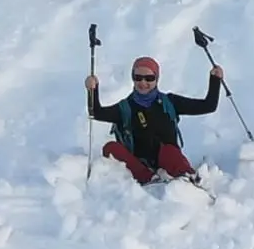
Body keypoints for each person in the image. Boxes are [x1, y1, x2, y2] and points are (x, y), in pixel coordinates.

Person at [85, 56, 223, 184]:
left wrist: (215, 80)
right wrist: (92, 90)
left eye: (149, 78)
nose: (143, 82)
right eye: (138, 77)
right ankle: (150, 179)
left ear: (157, 79)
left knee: (169, 150)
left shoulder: (170, 102)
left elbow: (208, 106)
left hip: (168, 157)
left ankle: (187, 178)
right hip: (139, 163)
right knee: (110, 148)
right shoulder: (124, 108)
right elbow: (96, 113)